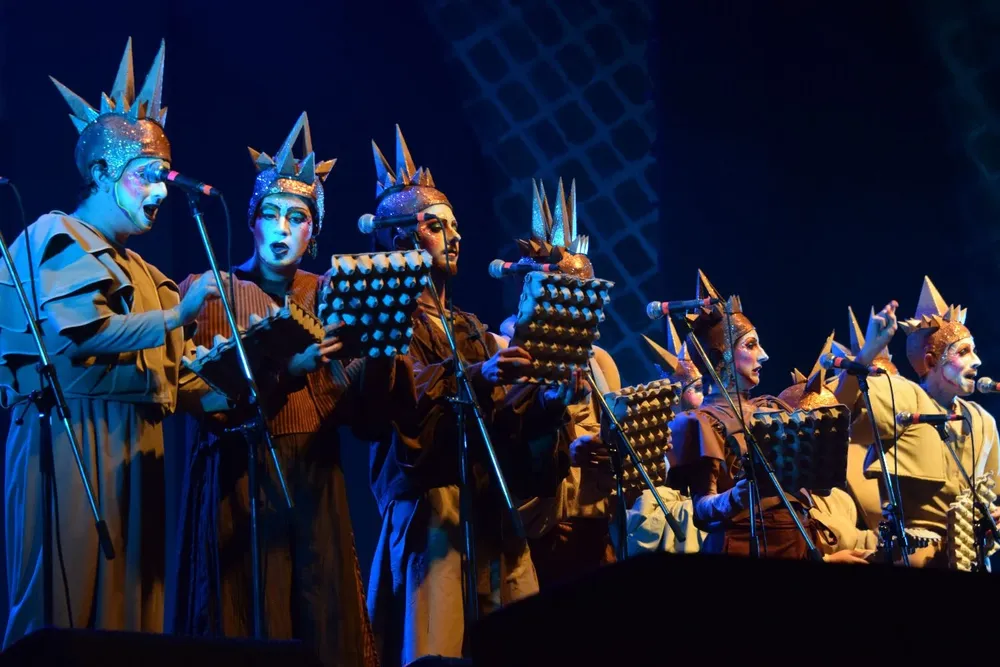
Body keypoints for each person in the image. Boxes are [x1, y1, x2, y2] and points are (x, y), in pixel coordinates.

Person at [0, 38, 222, 646]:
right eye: (146, 176)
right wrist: (179, 317)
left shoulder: (149, 275)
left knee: (131, 619)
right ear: (101, 172)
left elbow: (180, 374)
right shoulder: (58, 234)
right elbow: (86, 334)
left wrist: (254, 372)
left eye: (163, 180)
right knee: (63, 606)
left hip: (137, 448)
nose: (158, 193)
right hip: (71, 439)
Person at [170, 113, 385, 667]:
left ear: (314, 231)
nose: (283, 228)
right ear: (252, 222)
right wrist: (290, 367)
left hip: (313, 473)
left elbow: (360, 409)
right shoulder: (214, 291)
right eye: (270, 215)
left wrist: (373, 354)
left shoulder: (331, 291)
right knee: (247, 613)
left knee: (322, 613)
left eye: (298, 217)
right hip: (239, 476)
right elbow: (213, 402)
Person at [364, 127, 582, 666]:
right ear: (399, 241)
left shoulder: (472, 328)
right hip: (431, 507)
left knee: (514, 638)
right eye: (436, 227)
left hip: (487, 505)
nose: (455, 237)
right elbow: (400, 399)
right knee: (437, 646)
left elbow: (504, 420)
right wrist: (477, 376)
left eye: (455, 227)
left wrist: (546, 399)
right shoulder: (385, 322)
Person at [498, 178, 620, 588]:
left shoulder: (601, 361)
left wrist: (610, 449)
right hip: (542, 526)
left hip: (595, 522)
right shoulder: (503, 351)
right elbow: (504, 439)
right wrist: (562, 446)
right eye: (569, 292)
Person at [836, 277, 1000, 568]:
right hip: (913, 553)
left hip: (970, 558)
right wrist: (868, 352)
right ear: (930, 361)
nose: (977, 361)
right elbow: (839, 416)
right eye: (963, 352)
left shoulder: (983, 421)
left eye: (973, 350)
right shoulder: (903, 395)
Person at [621, 324, 708, 556]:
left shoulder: (704, 432)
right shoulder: (657, 437)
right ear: (677, 394)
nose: (705, 396)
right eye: (697, 389)